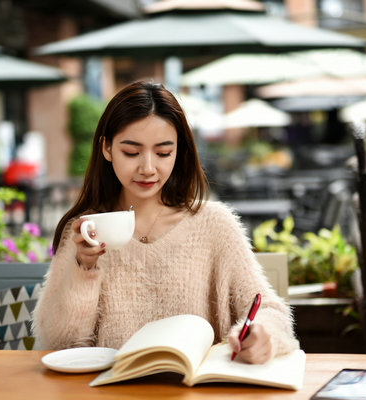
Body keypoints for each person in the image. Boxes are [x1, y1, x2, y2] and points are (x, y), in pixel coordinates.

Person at [32, 80, 299, 364]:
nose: (148, 168)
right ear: (107, 149)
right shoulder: (85, 230)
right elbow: (59, 345)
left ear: (179, 152)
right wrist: (84, 269)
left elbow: (270, 310)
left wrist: (262, 335)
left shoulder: (215, 225)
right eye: (131, 152)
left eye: (163, 153)